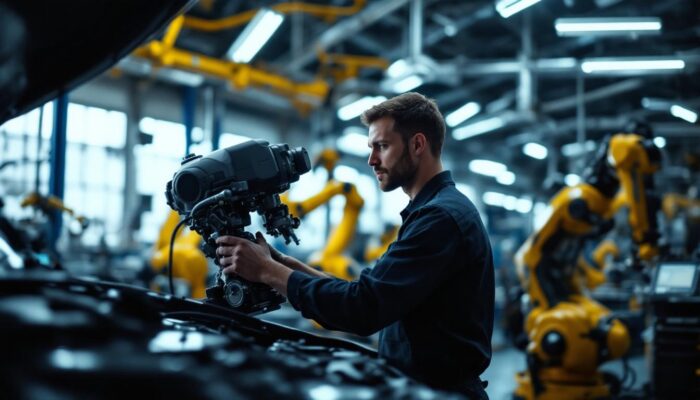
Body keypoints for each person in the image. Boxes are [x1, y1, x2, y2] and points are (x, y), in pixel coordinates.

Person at [216, 92, 494, 399]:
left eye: (382, 146)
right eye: (371, 148)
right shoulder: (434, 211)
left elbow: (364, 308)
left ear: (417, 145)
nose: (371, 160)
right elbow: (374, 295)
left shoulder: (439, 218)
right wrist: (282, 264)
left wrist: (267, 272)